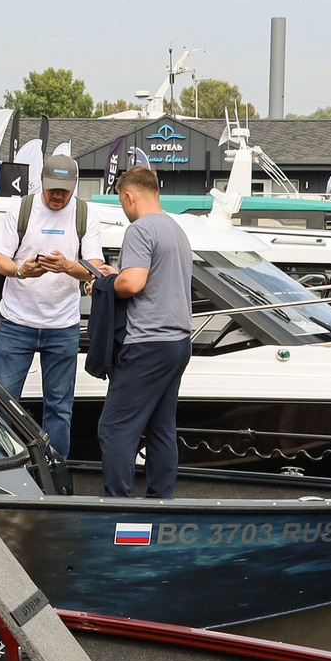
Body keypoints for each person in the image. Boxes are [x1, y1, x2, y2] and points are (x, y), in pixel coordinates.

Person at [0, 150, 107, 463]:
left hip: (62, 325)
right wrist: (20, 270)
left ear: (75, 187)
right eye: (53, 189)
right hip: (16, 322)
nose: (57, 196)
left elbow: (95, 269)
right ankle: (3, 467)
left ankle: (55, 471)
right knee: (2, 403)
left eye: (64, 191)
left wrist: (68, 266)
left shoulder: (85, 214)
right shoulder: (21, 209)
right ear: (42, 182)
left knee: (59, 407)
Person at [96, 163, 193, 500]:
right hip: (178, 342)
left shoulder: (139, 230)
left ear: (129, 196)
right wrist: (117, 275)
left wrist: (106, 283)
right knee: (160, 427)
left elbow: (133, 284)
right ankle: (160, 501)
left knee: (114, 429)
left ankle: (117, 507)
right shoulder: (176, 229)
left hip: (148, 343)